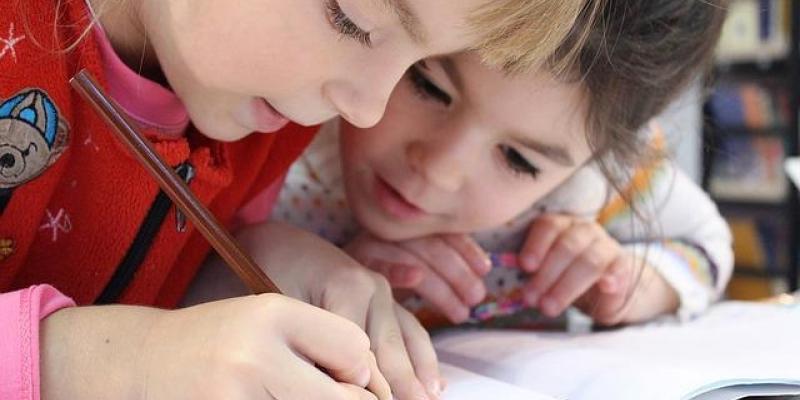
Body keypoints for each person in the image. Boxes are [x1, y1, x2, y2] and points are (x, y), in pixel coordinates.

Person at [0, 0, 594, 399]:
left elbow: (142, 288)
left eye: (414, 63)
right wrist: (102, 365)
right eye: (352, 19)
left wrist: (248, 269)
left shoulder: (265, 116)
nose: (367, 108)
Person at [264, 0, 732, 328]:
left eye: (518, 160)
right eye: (427, 86)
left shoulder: (590, 188)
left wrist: (633, 282)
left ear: (600, 159)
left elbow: (708, 246)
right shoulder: (283, 127)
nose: (439, 169)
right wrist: (315, 273)